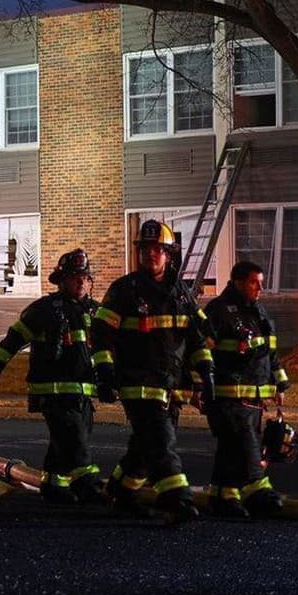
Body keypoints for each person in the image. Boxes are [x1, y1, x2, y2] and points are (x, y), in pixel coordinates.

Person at [91, 220, 214, 523]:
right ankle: (177, 499)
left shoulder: (181, 293)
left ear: (169, 254)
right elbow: (101, 333)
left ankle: (121, 490)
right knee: (161, 442)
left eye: (157, 249)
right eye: (145, 249)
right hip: (137, 384)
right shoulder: (124, 290)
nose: (150, 254)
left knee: (145, 447)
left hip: (170, 386)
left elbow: (196, 338)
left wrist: (205, 372)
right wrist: (105, 372)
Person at [0, 248, 107, 505]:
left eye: (85, 277)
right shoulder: (44, 309)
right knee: (75, 439)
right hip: (52, 391)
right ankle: (89, 484)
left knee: (66, 439)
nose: (81, 282)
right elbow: (15, 336)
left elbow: (108, 348)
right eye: (75, 277)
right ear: (62, 280)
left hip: (84, 391)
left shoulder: (96, 312)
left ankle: (53, 485)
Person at [203, 260, 290, 518]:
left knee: (230, 448)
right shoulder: (218, 311)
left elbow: (270, 353)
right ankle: (258, 488)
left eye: (261, 282)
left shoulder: (260, 313)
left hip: (255, 398)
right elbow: (202, 352)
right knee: (246, 444)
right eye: (254, 282)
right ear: (238, 282)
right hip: (228, 397)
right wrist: (200, 388)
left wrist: (279, 382)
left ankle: (223, 497)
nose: (259, 288)